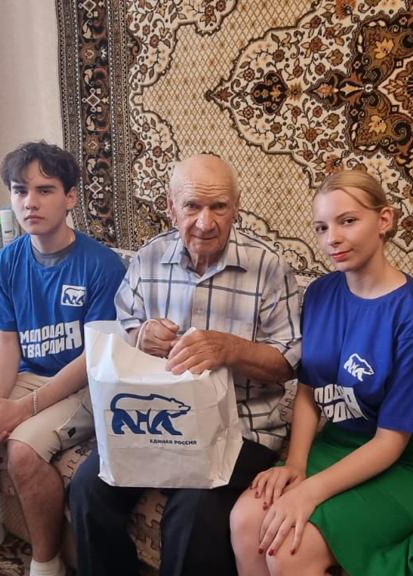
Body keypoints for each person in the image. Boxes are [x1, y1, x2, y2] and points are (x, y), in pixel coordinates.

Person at [68, 154, 303, 576]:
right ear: (171, 207)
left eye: (219, 207)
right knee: (88, 490)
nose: (205, 222)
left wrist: (231, 349)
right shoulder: (148, 258)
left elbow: (288, 364)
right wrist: (141, 336)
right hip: (154, 421)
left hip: (241, 426)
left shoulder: (268, 266)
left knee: (194, 513)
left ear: (236, 207)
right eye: (192, 206)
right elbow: (124, 329)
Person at [229, 169, 413, 576]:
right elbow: (309, 390)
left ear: (384, 220)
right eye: (322, 227)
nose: (332, 238)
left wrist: (309, 492)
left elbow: (390, 443)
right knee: (244, 520)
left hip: (400, 461)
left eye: (348, 221)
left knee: (288, 550)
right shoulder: (320, 293)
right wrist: (295, 464)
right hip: (336, 443)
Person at [0, 141, 126, 576]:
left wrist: (21, 411)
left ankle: (46, 561)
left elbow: (93, 359)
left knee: (22, 451)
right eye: (20, 191)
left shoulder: (103, 266)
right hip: (27, 376)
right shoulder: (5, 262)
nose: (30, 202)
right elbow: (6, 340)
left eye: (44, 190)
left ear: (70, 197)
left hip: (83, 384)